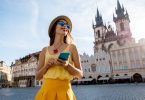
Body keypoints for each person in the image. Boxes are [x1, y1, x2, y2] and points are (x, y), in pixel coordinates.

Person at [35, 15, 83, 100]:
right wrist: (46, 66)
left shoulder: (72, 47)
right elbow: (38, 77)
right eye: (61, 23)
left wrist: (67, 65)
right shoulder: (44, 50)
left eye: (67, 25)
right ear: (54, 28)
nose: (65, 26)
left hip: (64, 93)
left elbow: (80, 74)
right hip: (46, 92)